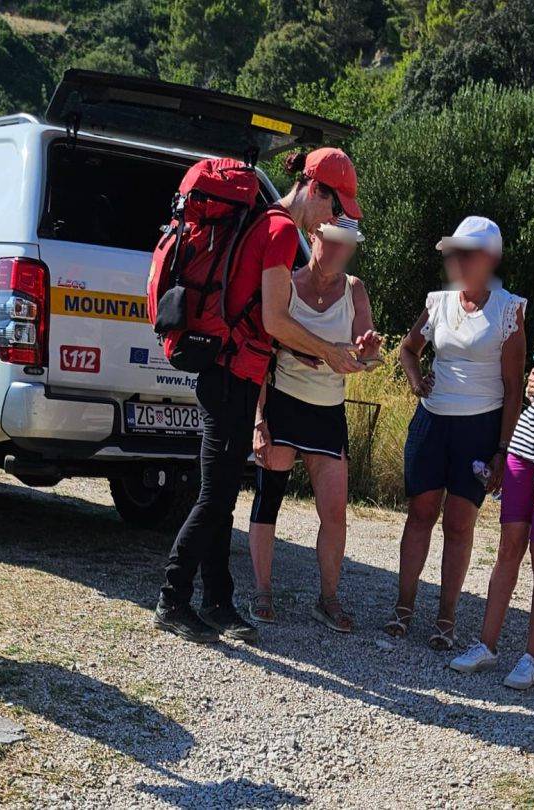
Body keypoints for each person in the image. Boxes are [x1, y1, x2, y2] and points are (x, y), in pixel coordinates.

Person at [155, 148, 366, 644]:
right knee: (214, 494)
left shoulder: (271, 226)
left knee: (223, 491)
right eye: (336, 208)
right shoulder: (276, 231)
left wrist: (317, 352)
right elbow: (275, 320)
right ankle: (172, 598)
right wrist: (331, 353)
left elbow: (271, 324)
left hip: (235, 373)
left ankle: (217, 601)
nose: (336, 220)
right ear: (315, 188)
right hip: (229, 375)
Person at [384, 216, 527, 650]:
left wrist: (504, 448)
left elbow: (513, 387)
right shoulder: (438, 302)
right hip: (432, 421)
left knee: (460, 523)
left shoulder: (509, 310)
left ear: (488, 259)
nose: (459, 262)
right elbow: (409, 349)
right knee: (421, 512)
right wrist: (414, 381)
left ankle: (446, 618)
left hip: (480, 427)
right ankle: (404, 608)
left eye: (467, 254)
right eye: (456, 254)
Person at [450, 226, 534, 689]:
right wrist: (532, 384)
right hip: (528, 443)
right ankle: (486, 645)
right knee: (508, 545)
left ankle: (532, 657)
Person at [248, 216, 381, 631]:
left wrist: (368, 351)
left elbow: (367, 358)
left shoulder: (355, 290)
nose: (341, 251)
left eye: (348, 244)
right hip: (283, 403)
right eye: (333, 241)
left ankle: (328, 598)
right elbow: (259, 355)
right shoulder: (285, 284)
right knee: (269, 498)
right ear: (312, 237)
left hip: (328, 411)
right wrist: (258, 422)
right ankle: (263, 592)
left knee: (335, 512)